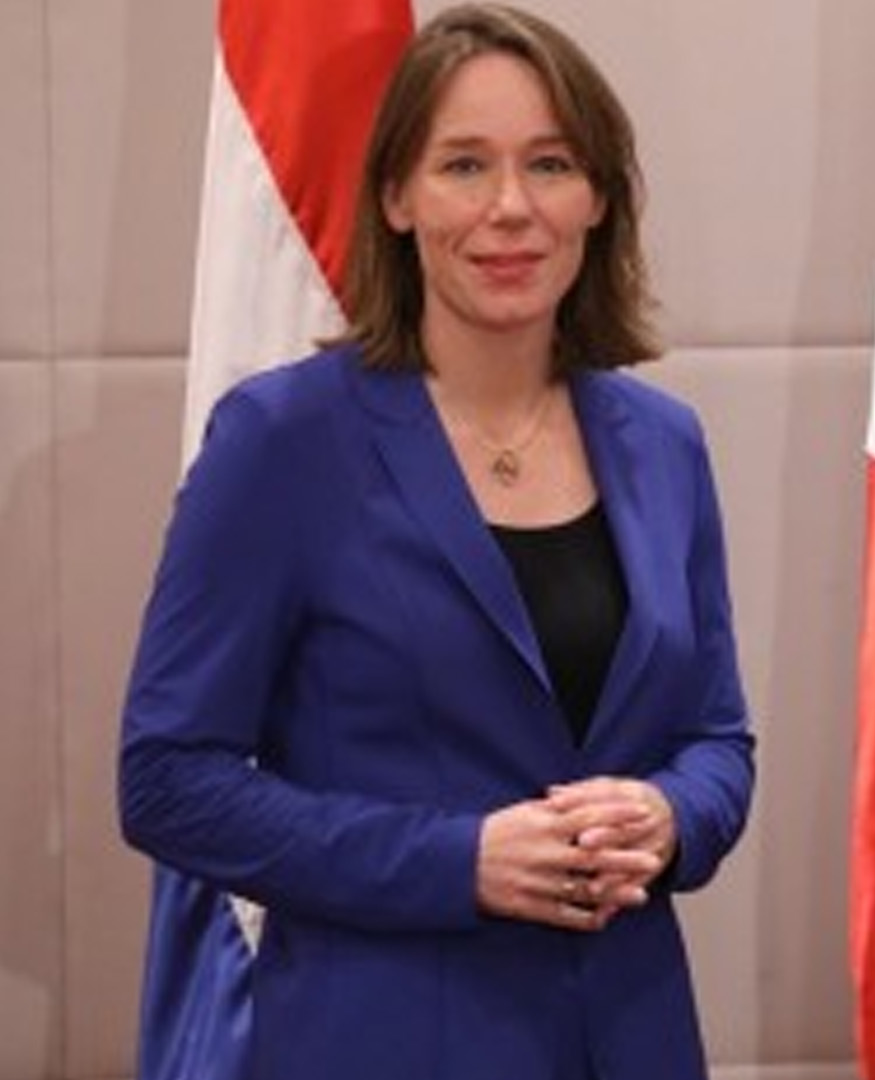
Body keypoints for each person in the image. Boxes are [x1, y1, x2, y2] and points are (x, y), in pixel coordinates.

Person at [118, 6, 754, 1079]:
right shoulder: (283, 441)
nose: (511, 207)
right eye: (464, 165)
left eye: (550, 164)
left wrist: (669, 814)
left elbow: (717, 741)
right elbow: (168, 781)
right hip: (383, 1037)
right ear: (396, 197)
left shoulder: (664, 443)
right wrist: (458, 861)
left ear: (598, 198)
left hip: (630, 1034)